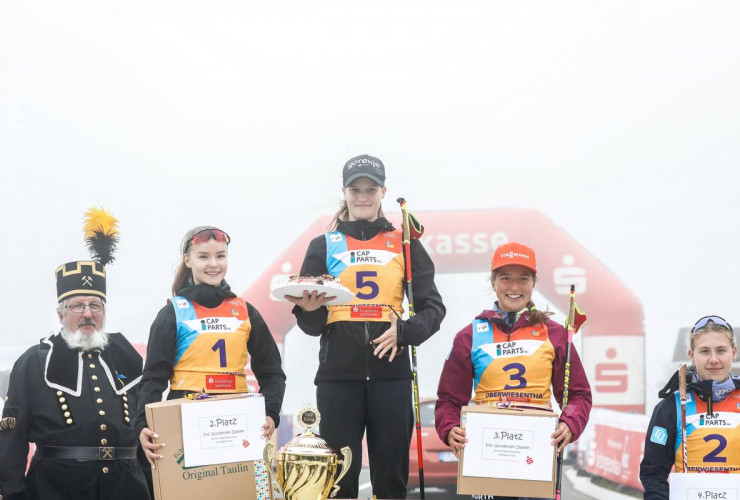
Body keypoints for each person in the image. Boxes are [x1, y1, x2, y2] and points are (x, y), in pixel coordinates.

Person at [286, 154, 446, 499]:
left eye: (370, 189)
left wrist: (403, 332)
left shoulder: (404, 243)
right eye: (355, 189)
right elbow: (311, 325)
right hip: (338, 378)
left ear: (383, 191)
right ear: (344, 192)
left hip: (391, 376)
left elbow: (434, 308)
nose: (362, 196)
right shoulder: (323, 245)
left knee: (390, 479)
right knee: (340, 479)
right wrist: (310, 311)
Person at [0, 210, 151, 500]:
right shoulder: (33, 362)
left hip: (126, 487)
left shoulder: (128, 358)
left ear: (104, 312)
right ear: (60, 314)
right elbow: (12, 437)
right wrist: (14, 492)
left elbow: (146, 429)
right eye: (77, 306)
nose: (87, 314)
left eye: (95, 305)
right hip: (57, 488)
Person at [434, 242, 592, 500]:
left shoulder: (555, 334)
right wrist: (450, 428)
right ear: (493, 281)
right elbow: (449, 400)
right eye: (506, 278)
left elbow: (579, 395)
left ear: (534, 282)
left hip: (537, 452)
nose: (514, 287)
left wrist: (569, 423)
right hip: (487, 451)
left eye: (523, 278)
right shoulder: (469, 335)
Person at [135, 226, 286, 468]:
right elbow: (154, 377)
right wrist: (141, 424)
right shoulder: (172, 313)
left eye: (220, 256)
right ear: (188, 260)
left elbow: (272, 372)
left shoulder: (245, 311)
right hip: (186, 419)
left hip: (237, 421)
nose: (213, 264)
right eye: (203, 256)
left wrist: (270, 412)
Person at [640, 315, 740, 499]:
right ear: (691, 355)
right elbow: (653, 473)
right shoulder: (672, 407)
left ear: (733, 353)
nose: (713, 359)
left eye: (721, 350)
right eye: (704, 351)